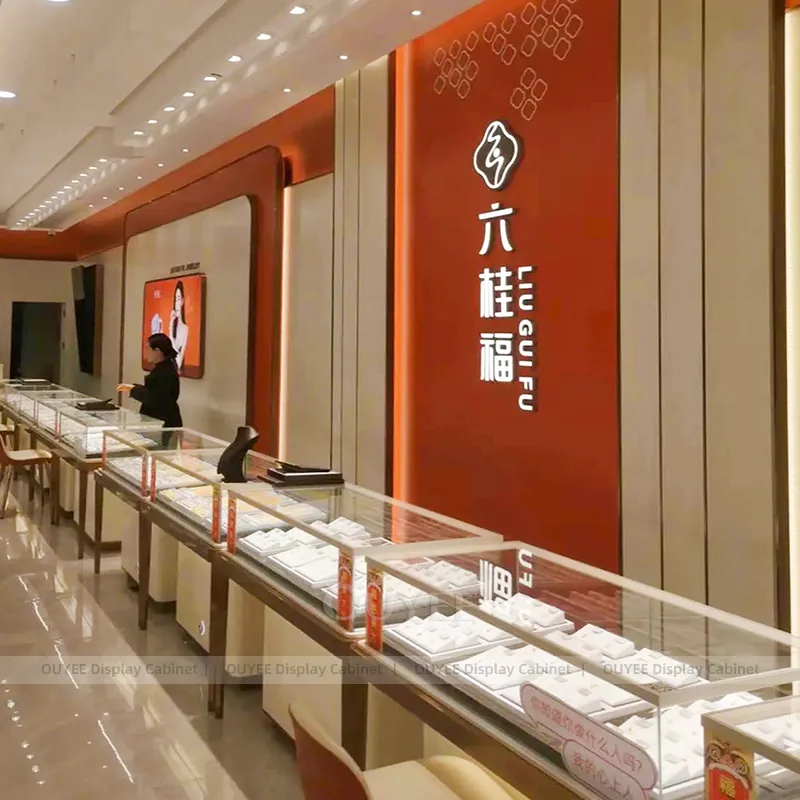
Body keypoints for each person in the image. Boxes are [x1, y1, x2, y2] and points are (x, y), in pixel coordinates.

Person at [118, 333, 183, 428]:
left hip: (163, 422)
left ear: (157, 351)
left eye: (147, 348)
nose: (145, 352)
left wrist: (133, 389)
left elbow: (156, 398)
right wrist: (133, 387)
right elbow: (153, 391)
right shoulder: (163, 368)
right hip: (158, 421)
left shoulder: (166, 371)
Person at [169, 280, 189, 372]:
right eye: (175, 299)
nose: (176, 303)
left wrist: (171, 337)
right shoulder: (172, 325)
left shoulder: (185, 329)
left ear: (182, 301)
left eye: (178, 299)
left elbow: (179, 363)